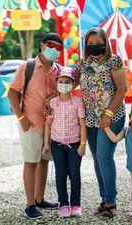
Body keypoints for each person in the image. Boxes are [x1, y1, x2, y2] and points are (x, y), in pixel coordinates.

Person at [8, 32, 63, 220]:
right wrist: (21, 117)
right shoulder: (28, 67)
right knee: (31, 162)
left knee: (44, 161)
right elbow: (12, 93)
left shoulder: (60, 71)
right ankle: (30, 204)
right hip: (30, 123)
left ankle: (40, 199)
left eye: (58, 48)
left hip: (51, 126)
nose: (54, 49)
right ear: (42, 45)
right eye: (51, 45)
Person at [73, 27, 127, 218]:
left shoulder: (114, 62)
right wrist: (52, 98)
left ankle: (111, 203)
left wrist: (109, 113)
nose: (95, 46)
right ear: (86, 45)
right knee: (97, 159)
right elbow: (68, 84)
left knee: (104, 156)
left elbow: (122, 89)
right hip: (90, 119)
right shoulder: (81, 64)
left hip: (112, 117)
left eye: (98, 43)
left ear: (105, 43)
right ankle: (104, 199)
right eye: (91, 44)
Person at [42, 66, 87, 218]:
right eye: (60, 81)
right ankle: (63, 204)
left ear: (72, 84)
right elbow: (48, 124)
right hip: (57, 144)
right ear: (56, 84)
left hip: (74, 144)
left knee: (74, 174)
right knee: (60, 174)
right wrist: (46, 144)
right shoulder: (53, 103)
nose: (64, 84)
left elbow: (82, 124)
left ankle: (75, 204)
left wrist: (82, 144)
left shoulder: (78, 102)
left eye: (67, 81)